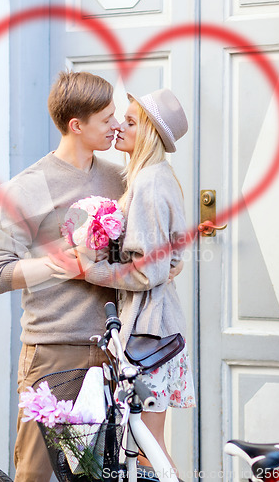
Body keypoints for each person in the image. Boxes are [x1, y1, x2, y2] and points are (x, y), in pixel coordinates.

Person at [48, 88, 196, 474]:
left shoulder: (148, 183)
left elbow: (148, 271)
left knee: (147, 449)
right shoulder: (158, 177)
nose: (119, 128)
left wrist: (88, 268)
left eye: (130, 122)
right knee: (152, 444)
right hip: (161, 328)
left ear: (147, 132)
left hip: (150, 333)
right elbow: (170, 257)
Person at [0, 71, 124, 482]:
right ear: (77, 125)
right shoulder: (28, 188)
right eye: (107, 118)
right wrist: (60, 261)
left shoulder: (118, 179)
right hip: (51, 352)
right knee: (35, 473)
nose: (116, 125)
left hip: (111, 351)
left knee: (99, 474)